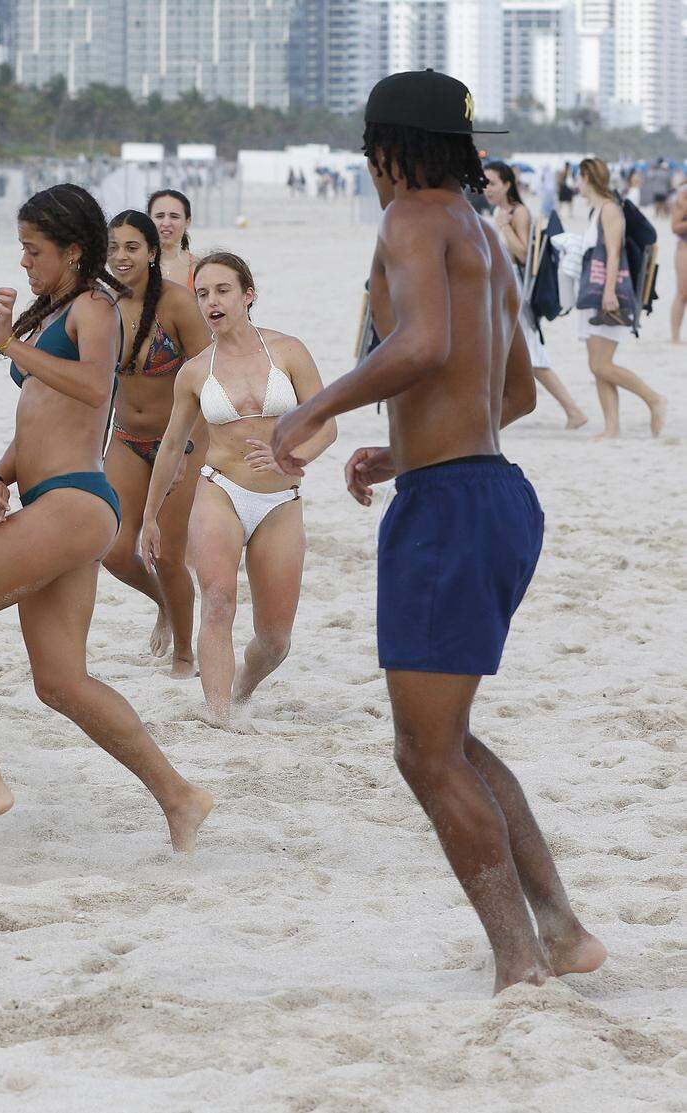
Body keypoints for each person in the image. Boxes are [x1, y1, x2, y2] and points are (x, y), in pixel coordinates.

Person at [269, 70, 606, 994]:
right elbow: (517, 391)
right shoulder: (482, 232)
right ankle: (562, 933)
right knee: (447, 737)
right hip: (493, 491)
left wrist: (314, 410)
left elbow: (417, 345)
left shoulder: (413, 218)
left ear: (386, 148)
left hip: (454, 511)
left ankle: (521, 966)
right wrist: (409, 448)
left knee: (424, 751)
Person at [0, 183, 213, 853]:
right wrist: (1, 473)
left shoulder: (94, 308)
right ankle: (180, 797)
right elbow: (47, 413)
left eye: (33, 249)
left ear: (73, 251)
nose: (24, 261)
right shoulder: (58, 312)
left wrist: (8, 346)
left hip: (76, 499)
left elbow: (95, 387)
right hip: (53, 499)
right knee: (60, 681)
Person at [141, 252, 335, 724]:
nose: (212, 301)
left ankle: (243, 684)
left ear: (248, 294)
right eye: (202, 293)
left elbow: (326, 426)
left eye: (223, 290)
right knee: (219, 599)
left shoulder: (288, 351)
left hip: (280, 499)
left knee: (274, 640)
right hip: (220, 490)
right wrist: (149, 517)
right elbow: (171, 446)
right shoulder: (194, 372)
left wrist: (292, 456)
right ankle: (218, 713)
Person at [103, 210, 211, 677]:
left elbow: (210, 374)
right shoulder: (102, 304)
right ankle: (167, 603)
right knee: (113, 551)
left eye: (131, 247)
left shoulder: (178, 303)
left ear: (151, 252)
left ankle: (185, 652)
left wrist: (187, 448)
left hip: (181, 442)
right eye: (112, 247)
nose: (121, 256)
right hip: (126, 440)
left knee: (168, 555)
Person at [483, 162, 587, 429]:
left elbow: (524, 255)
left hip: (517, 292)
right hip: (500, 290)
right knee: (509, 354)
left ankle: (574, 411)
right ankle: (492, 413)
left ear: (507, 184)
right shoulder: (500, 212)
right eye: (485, 183)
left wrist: (503, 227)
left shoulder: (518, 213)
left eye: (493, 183)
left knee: (532, 356)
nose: (487, 188)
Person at [574, 158, 666, 439]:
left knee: (602, 364)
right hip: (593, 292)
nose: (575, 182)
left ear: (588, 177)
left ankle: (654, 400)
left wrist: (610, 291)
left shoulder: (611, 209)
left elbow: (614, 252)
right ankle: (611, 427)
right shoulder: (597, 210)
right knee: (598, 366)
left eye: (579, 176)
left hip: (608, 294)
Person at [148, 189, 197, 291]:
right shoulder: (137, 265)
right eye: (159, 216)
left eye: (174, 216)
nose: (166, 223)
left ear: (187, 222)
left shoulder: (199, 268)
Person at [671, 181, 687, 344]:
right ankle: (675, 336)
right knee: (683, 293)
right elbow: (675, 226)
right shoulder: (683, 195)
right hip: (685, 248)